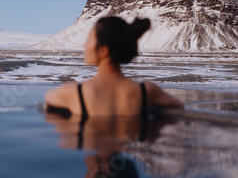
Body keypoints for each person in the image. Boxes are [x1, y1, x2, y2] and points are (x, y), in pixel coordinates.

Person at [45, 16, 183, 118]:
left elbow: (48, 99)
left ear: (103, 51)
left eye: (89, 40)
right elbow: (178, 106)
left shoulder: (74, 92)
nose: (84, 46)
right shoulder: (147, 91)